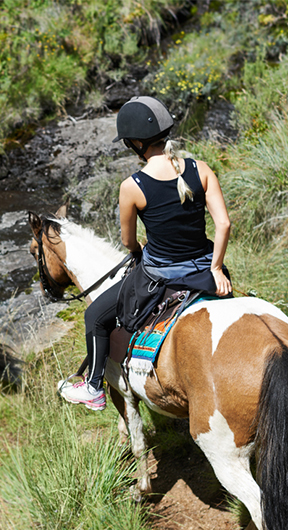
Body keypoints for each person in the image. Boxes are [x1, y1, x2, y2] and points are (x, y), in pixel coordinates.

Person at [59, 96, 233, 410]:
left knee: (95, 316)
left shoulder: (132, 186)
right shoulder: (200, 168)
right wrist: (217, 268)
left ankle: (95, 386)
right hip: (205, 270)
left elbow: (128, 243)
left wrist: (140, 250)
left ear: (136, 143)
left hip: (160, 276)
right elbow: (224, 224)